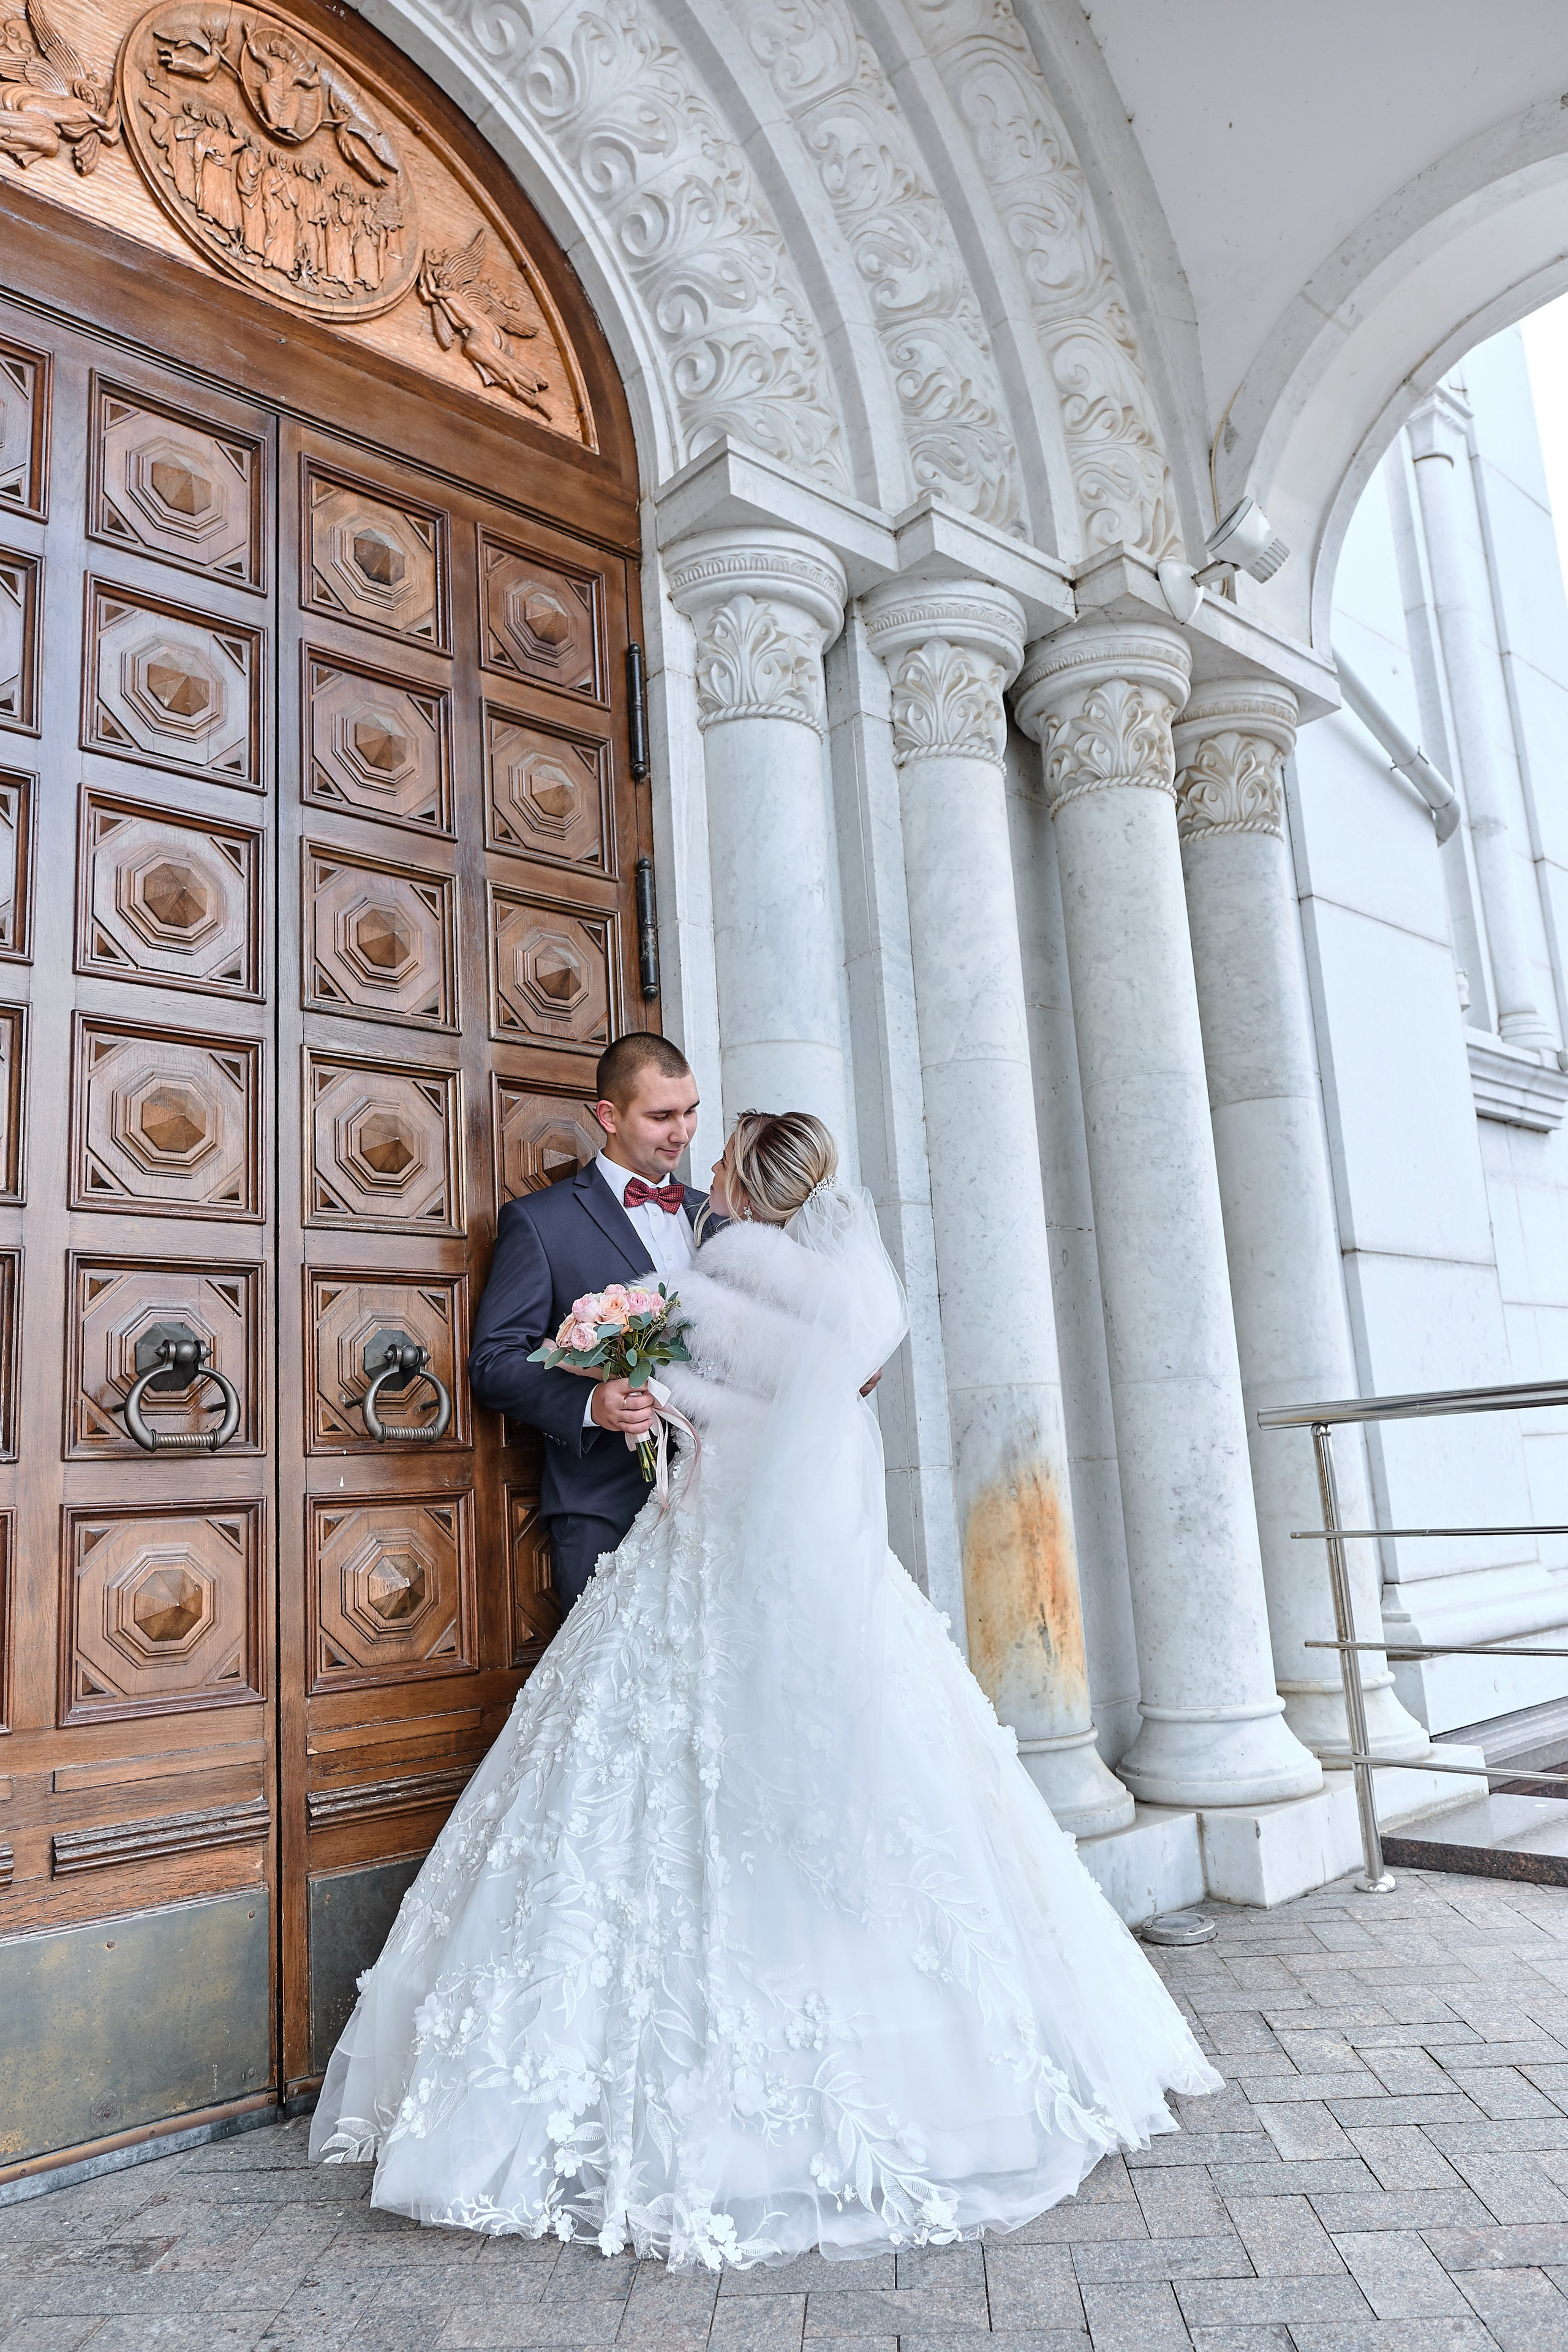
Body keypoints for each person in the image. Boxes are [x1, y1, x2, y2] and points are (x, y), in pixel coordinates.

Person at [311, 1111, 1221, 2266]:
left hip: (700, 1560)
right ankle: (959, 2078)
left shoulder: (712, 1279)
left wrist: (623, 1368)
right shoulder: (857, 1301)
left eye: (722, 1154)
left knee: (645, 1802)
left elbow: (687, 1405)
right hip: (825, 1578)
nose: (704, 1164)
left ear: (746, 1182)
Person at [467, 1034, 708, 1613]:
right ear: (609, 1115)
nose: (683, 1132)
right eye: (662, 1116)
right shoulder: (540, 1222)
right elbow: (495, 1361)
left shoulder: (712, 1213)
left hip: (718, 1506)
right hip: (603, 1508)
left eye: (691, 1111)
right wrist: (592, 1405)